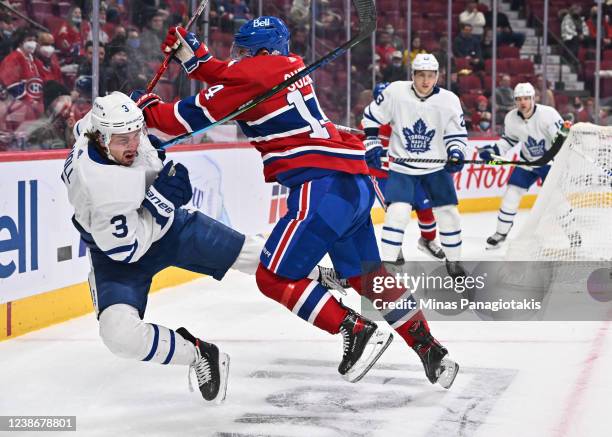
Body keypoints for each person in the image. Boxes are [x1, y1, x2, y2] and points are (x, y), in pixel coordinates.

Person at [132, 17, 458, 388]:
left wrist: (143, 107)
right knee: (369, 277)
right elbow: (226, 74)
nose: (237, 57)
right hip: (352, 186)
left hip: (320, 188)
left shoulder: (251, 79)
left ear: (263, 52)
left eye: (245, 51)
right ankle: (429, 348)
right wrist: (195, 58)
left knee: (272, 276)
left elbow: (181, 119)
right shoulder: (286, 67)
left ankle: (353, 327)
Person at [63, 91, 355, 403]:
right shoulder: (103, 190)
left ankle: (316, 273)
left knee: (251, 255)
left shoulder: (91, 131)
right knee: (119, 335)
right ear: (101, 139)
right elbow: (129, 250)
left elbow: (102, 128)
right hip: (119, 255)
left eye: (136, 134)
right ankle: (199, 354)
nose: (133, 145)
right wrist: (161, 203)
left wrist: (137, 107)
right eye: (124, 140)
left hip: (169, 230)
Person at [362, 53, 467, 278]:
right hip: (402, 169)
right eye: (421, 75)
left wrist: (456, 152)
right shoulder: (396, 92)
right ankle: (387, 267)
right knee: (397, 214)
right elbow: (371, 117)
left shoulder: (449, 100)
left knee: (449, 214)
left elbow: (456, 134)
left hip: (436, 168)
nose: (425, 81)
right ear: (413, 76)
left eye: (430, 76)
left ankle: (454, 262)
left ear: (438, 76)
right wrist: (371, 143)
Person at [478, 83, 569, 249]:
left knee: (557, 199)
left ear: (533, 99)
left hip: (549, 163)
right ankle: (501, 233)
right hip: (526, 162)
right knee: (511, 196)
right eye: (519, 99)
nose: (523, 102)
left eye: (526, 98)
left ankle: (572, 232)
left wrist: (555, 161)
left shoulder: (548, 115)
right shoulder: (511, 118)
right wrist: (493, 151)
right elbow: (508, 141)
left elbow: (561, 143)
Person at [361, 82, 445, 261]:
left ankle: (427, 241)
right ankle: (394, 247)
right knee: (395, 214)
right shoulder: (371, 124)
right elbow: (362, 144)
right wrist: (369, 148)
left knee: (426, 207)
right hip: (382, 176)